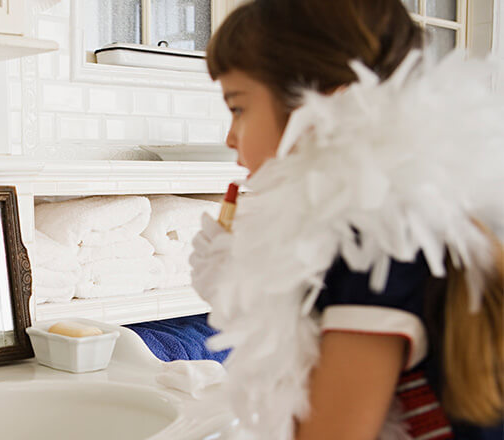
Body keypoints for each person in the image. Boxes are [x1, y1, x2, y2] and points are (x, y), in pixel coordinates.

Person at [187, 0, 504, 438]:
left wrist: (246, 303)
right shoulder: (400, 215)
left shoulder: (377, 245)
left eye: (238, 107)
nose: (230, 136)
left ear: (321, 109)